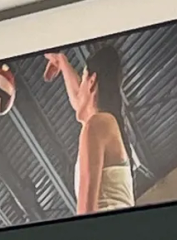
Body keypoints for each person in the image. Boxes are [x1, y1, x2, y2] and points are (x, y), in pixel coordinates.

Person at [44, 46, 135, 213]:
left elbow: (87, 212)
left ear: (92, 82)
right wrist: (62, 62)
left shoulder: (97, 125)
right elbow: (80, 101)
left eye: (83, 81)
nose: (79, 90)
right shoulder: (103, 125)